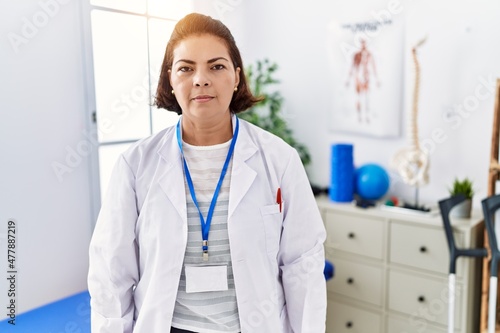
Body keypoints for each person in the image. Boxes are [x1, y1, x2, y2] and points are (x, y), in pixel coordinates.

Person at [88, 12, 327, 333]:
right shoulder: (135, 164)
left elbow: (303, 267)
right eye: (186, 68)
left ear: (237, 77)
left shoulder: (279, 159)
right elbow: (111, 273)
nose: (201, 79)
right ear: (170, 80)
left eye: (216, 66)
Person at [345, 39, 380, 123]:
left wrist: (376, 79)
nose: (363, 45)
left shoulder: (369, 55)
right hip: (358, 78)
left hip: (366, 77)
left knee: (366, 98)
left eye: (364, 43)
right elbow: (352, 67)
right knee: (359, 97)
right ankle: (359, 117)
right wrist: (348, 79)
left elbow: (373, 66)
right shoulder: (356, 55)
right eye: (362, 43)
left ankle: (366, 116)